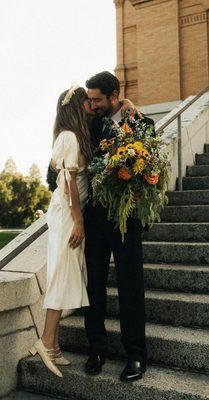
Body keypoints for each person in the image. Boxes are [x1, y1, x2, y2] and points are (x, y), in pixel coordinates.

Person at [84, 71, 155, 382]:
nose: (92, 104)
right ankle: (97, 349)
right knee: (94, 285)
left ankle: (136, 356)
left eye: (97, 99)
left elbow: (150, 160)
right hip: (94, 218)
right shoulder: (90, 125)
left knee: (130, 286)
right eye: (90, 98)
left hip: (126, 219)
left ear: (115, 96)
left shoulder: (141, 123)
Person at [29, 86, 93, 378]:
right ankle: (45, 342)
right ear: (76, 106)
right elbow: (67, 182)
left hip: (68, 213)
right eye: (86, 101)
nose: (90, 105)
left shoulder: (72, 135)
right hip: (68, 214)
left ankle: (52, 346)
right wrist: (78, 220)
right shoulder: (69, 137)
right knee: (60, 274)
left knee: (66, 275)